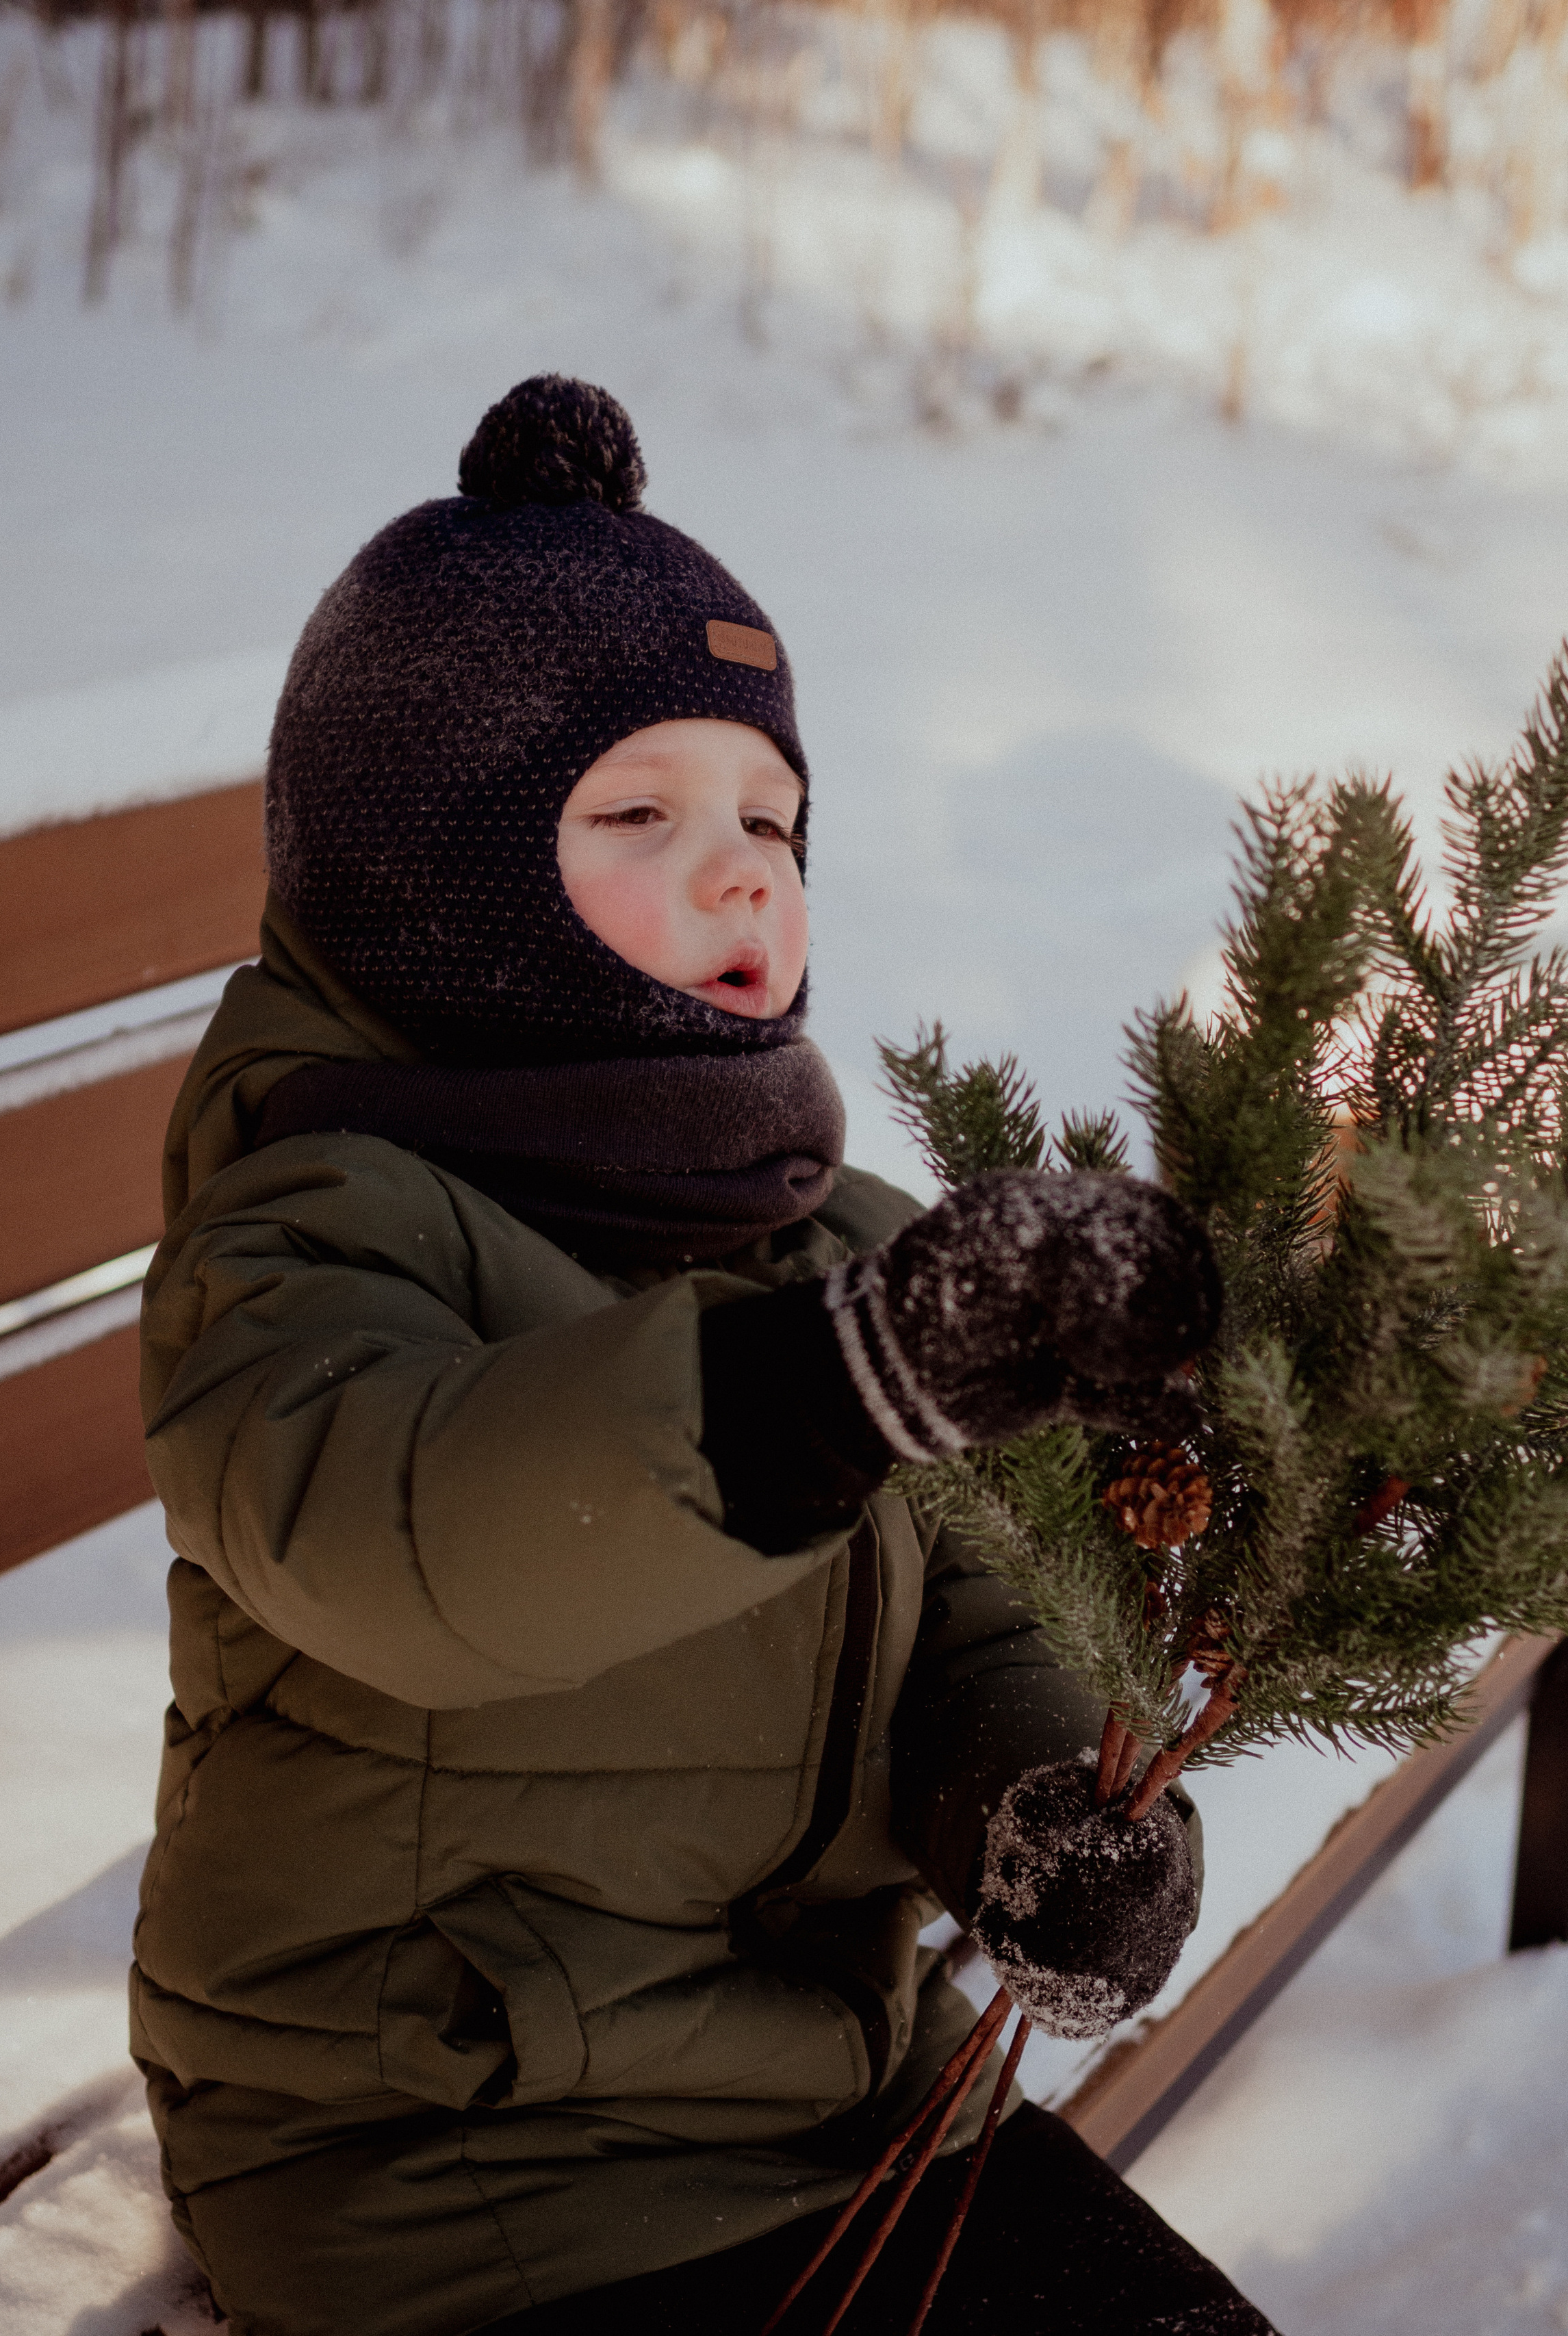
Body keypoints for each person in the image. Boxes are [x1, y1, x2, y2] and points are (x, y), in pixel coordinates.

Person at [133, 375, 1278, 2336]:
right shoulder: (309, 1239)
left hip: (854, 2105)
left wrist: (1027, 1805)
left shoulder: (829, 1237)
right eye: (640, 814)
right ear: (438, 879)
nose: (746, 868)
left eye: (772, 817)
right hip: (457, 2172)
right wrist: (830, 1385)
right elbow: (410, 1540)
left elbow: (972, 1614)